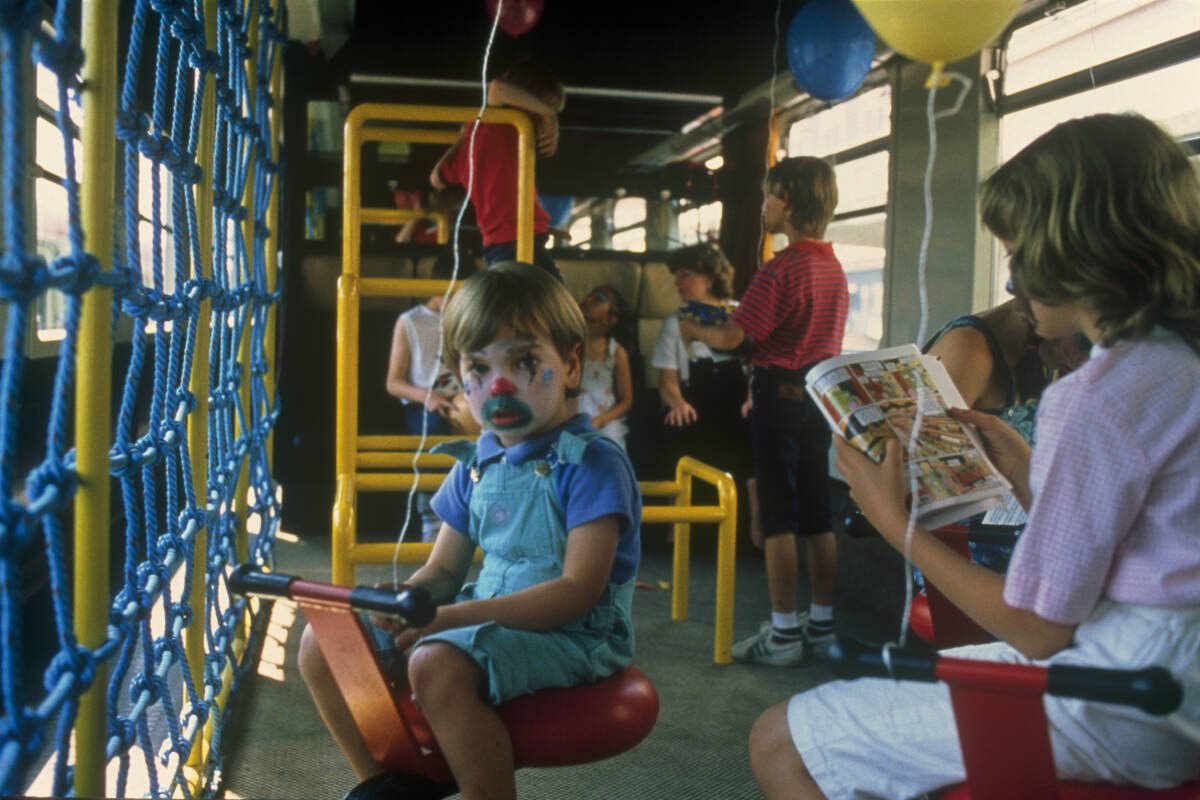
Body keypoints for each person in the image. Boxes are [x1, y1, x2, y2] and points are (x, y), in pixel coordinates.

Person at [749, 113, 1200, 799]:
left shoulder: (1097, 396)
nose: (1013, 278)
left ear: (1074, 251)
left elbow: (1041, 629)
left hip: (1122, 693)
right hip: (1179, 683)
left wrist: (893, 521)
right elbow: (1158, 537)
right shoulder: (1176, 364)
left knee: (781, 741)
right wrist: (1024, 472)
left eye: (1021, 252)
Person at [298, 261, 642, 800]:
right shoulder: (476, 463)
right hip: (488, 615)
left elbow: (578, 593)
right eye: (478, 369)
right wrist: (410, 601)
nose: (498, 386)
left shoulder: (593, 464)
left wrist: (447, 618)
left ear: (571, 367)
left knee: (435, 662)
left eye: (525, 361)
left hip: (578, 637)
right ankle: (388, 785)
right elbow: (443, 570)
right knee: (323, 642)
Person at [680, 157, 847, 666]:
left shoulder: (781, 268)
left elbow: (733, 338)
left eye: (770, 196)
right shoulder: (832, 267)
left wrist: (693, 330)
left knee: (778, 516)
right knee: (818, 514)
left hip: (779, 396)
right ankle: (821, 625)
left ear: (788, 201)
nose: (764, 207)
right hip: (819, 397)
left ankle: (782, 635)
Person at [916, 296, 1088, 574]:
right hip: (967, 561)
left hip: (1029, 540)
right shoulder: (969, 351)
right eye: (1086, 339)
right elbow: (920, 483)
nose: (1087, 359)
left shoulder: (1049, 350)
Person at [652, 243, 756, 543]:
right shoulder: (674, 323)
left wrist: (753, 397)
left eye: (685, 275)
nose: (678, 282)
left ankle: (755, 533)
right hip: (696, 399)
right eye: (677, 276)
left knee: (757, 431)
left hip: (738, 402)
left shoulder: (740, 315)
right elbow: (667, 380)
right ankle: (677, 530)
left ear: (709, 278)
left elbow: (757, 368)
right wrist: (677, 402)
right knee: (679, 424)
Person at [430, 61, 565, 280]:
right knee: (559, 312)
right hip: (516, 243)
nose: (544, 126)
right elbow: (497, 88)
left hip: (503, 244)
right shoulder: (499, 126)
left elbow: (436, 178)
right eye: (541, 110)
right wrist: (549, 114)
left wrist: (462, 138)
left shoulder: (475, 143)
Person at [384, 252, 466, 541]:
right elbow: (394, 383)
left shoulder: (467, 319)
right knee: (435, 431)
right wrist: (428, 397)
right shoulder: (411, 322)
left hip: (465, 401)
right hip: (426, 406)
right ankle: (431, 514)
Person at [578, 284, 634, 450]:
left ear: (611, 319)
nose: (589, 300)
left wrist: (601, 420)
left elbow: (626, 401)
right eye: (590, 295)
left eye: (599, 298)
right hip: (575, 417)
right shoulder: (568, 347)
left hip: (605, 420)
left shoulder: (616, 352)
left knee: (610, 450)